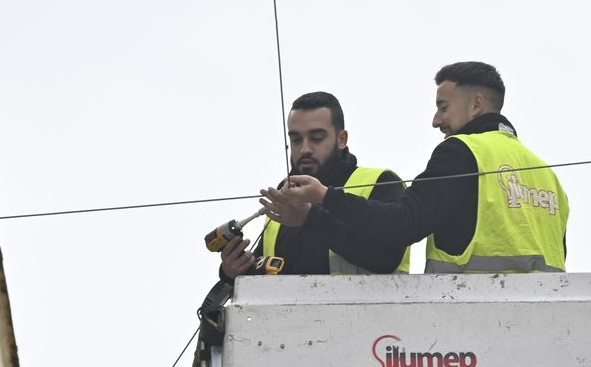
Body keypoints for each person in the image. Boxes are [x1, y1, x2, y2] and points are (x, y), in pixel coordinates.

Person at [259, 62, 568, 273]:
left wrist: (327, 198)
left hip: (473, 325)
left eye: (443, 107)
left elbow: (405, 223)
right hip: (546, 328)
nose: (436, 121)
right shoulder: (546, 175)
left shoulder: (463, 151)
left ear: (476, 105)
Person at [218, 91, 410, 278]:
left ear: (341, 139)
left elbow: (386, 257)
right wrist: (236, 272)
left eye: (316, 138)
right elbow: (271, 278)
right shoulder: (284, 198)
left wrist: (310, 219)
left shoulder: (381, 183)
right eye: (295, 139)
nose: (304, 149)